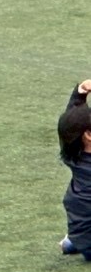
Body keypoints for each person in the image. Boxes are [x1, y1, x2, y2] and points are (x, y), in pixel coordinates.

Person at [58, 80, 91, 259]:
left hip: (82, 235)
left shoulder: (72, 155)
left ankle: (73, 242)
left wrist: (80, 93)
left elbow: (71, 123)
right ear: (88, 135)